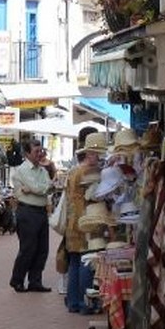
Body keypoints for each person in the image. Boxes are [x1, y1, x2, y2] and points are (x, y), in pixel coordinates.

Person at [64, 132, 106, 312]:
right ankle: (84, 303)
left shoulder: (74, 171)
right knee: (85, 262)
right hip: (85, 221)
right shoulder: (88, 173)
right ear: (90, 154)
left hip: (72, 221)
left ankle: (73, 301)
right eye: (98, 154)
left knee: (74, 262)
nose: (99, 158)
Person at [9, 139, 56, 292]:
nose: (40, 154)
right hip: (27, 211)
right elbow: (37, 187)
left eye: (41, 150)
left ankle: (35, 281)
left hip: (41, 211)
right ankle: (17, 280)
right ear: (27, 153)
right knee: (28, 248)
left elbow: (49, 188)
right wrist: (40, 188)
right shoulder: (22, 171)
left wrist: (40, 188)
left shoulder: (42, 170)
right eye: (36, 151)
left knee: (43, 249)